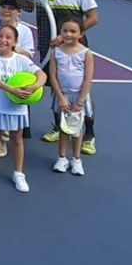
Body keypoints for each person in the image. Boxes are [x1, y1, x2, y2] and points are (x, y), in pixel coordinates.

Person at [12, 0, 100, 154]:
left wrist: (68, 36)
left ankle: (89, 134)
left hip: (76, 49)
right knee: (55, 87)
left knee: (81, 91)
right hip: (50, 47)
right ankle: (59, 125)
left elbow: (94, 18)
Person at [0, 25, 45, 192]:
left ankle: (19, 174)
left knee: (17, 141)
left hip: (16, 108)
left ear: (15, 42)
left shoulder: (22, 60)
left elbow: (42, 75)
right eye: (0, 36)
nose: (3, 40)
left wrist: (35, 86)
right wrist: (12, 90)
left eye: (8, 37)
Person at [49, 18, 93, 176]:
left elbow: (88, 78)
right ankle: (62, 158)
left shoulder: (86, 53)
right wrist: (61, 97)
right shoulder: (56, 52)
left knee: (76, 129)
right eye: (65, 31)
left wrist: (81, 100)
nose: (68, 34)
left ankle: (76, 159)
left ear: (81, 34)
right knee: (63, 128)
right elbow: (53, 76)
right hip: (63, 96)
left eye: (73, 31)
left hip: (79, 96)